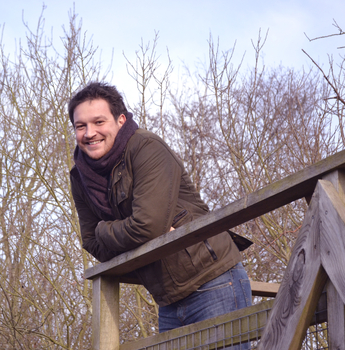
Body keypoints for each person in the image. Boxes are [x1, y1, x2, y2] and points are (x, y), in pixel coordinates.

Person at [69, 82, 252, 346]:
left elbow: (146, 227)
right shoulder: (80, 177)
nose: (90, 133)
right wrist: (119, 233)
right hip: (166, 298)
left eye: (99, 121)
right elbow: (92, 242)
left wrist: (104, 229)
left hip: (214, 281)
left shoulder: (146, 147)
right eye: (81, 126)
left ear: (120, 120)